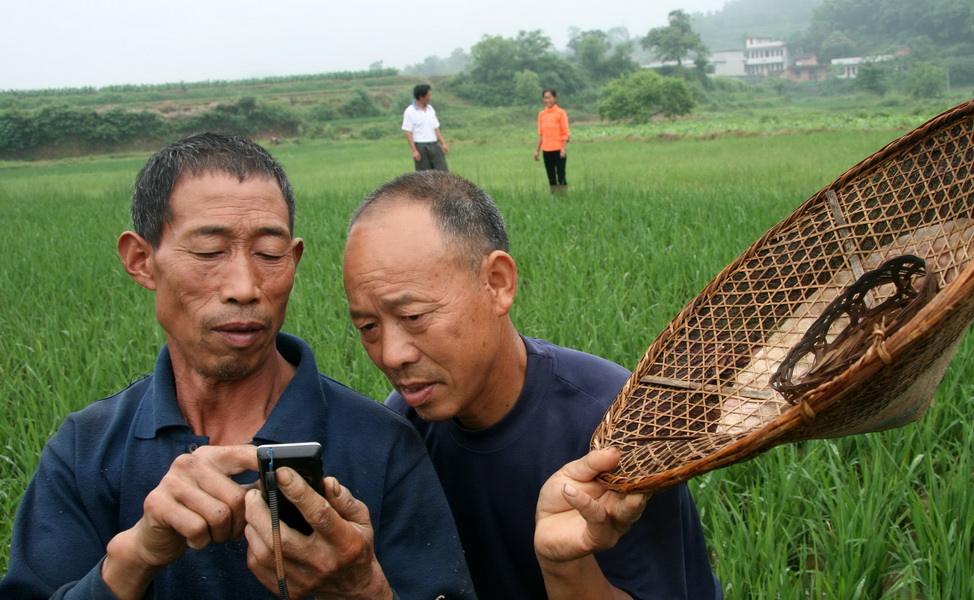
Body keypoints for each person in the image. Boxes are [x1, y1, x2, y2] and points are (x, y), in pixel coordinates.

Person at [0, 133, 473, 600]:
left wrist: (360, 591)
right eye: (209, 252)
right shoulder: (88, 449)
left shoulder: (382, 445)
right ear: (141, 261)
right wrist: (135, 556)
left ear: (294, 259)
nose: (245, 287)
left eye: (269, 254)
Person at [343, 171, 722, 599]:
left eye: (413, 317)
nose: (391, 354)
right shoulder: (399, 435)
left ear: (498, 283)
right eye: (369, 326)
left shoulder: (616, 425)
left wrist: (566, 567)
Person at [401, 83, 449, 171]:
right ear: (421, 97)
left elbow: (436, 129)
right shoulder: (409, 111)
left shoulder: (431, 109)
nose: (430, 97)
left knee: (442, 173)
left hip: (434, 145)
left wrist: (443, 143)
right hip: (421, 147)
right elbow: (408, 133)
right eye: (429, 95)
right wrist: (414, 151)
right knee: (425, 176)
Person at [532, 88, 570, 194]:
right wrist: (537, 151)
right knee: (551, 175)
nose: (547, 100)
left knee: (561, 174)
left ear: (555, 98)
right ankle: (554, 196)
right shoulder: (541, 114)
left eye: (549, 97)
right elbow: (541, 135)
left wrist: (563, 149)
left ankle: (563, 196)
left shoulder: (561, 113)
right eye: (545, 98)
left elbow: (565, 132)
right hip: (546, 150)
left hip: (559, 149)